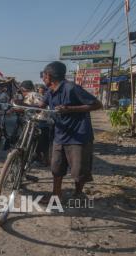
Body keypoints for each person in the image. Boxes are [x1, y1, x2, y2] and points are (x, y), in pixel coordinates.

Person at [39, 61, 102, 202]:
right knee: (56, 168)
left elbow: (97, 104)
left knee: (79, 170)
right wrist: (21, 104)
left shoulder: (72, 88)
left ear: (48, 76)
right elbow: (41, 106)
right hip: (60, 135)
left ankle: (78, 194)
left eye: (43, 75)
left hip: (78, 136)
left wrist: (71, 109)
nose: (43, 78)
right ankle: (56, 195)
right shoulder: (50, 91)